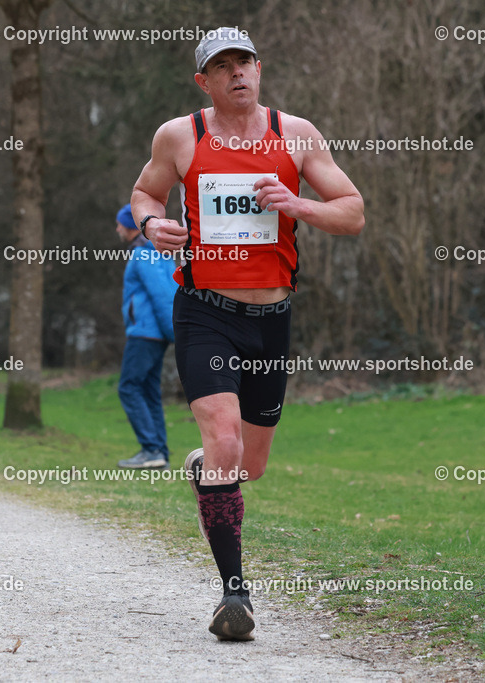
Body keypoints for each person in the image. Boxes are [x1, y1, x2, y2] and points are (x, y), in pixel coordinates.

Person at [131, 28, 363, 640]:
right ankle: (235, 596)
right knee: (227, 442)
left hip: (272, 318)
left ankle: (208, 469)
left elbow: (353, 211)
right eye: (222, 66)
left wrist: (300, 206)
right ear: (203, 80)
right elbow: (145, 193)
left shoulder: (298, 134)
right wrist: (153, 224)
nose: (236, 73)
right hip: (205, 312)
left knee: (246, 466)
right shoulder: (181, 135)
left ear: (259, 71)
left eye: (245, 63)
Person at [114, 203, 178, 469]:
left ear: (130, 226)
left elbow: (164, 295)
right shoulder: (154, 252)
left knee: (128, 387)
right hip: (153, 332)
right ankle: (158, 451)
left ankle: (151, 450)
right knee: (148, 390)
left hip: (147, 333)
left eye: (119, 223)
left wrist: (173, 332)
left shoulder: (144, 254)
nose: (116, 228)